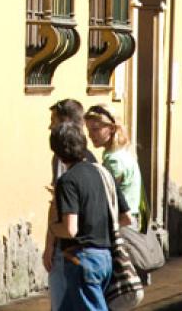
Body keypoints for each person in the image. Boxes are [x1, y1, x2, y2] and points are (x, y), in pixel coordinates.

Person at [49, 122, 131, 311]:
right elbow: (126, 218)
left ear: (58, 153)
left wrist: (53, 227)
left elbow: (70, 229)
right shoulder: (103, 174)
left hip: (81, 259)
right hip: (105, 258)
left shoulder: (67, 181)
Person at [44, 100, 97, 310]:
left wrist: (49, 244)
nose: (50, 127)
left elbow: (58, 207)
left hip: (68, 247)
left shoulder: (62, 160)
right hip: (93, 248)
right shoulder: (92, 160)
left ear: (65, 122)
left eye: (53, 121)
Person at [85, 104, 143, 228]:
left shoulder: (115, 161)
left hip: (122, 223)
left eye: (95, 129)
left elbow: (106, 197)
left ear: (111, 128)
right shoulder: (121, 153)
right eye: (88, 130)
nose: (90, 135)